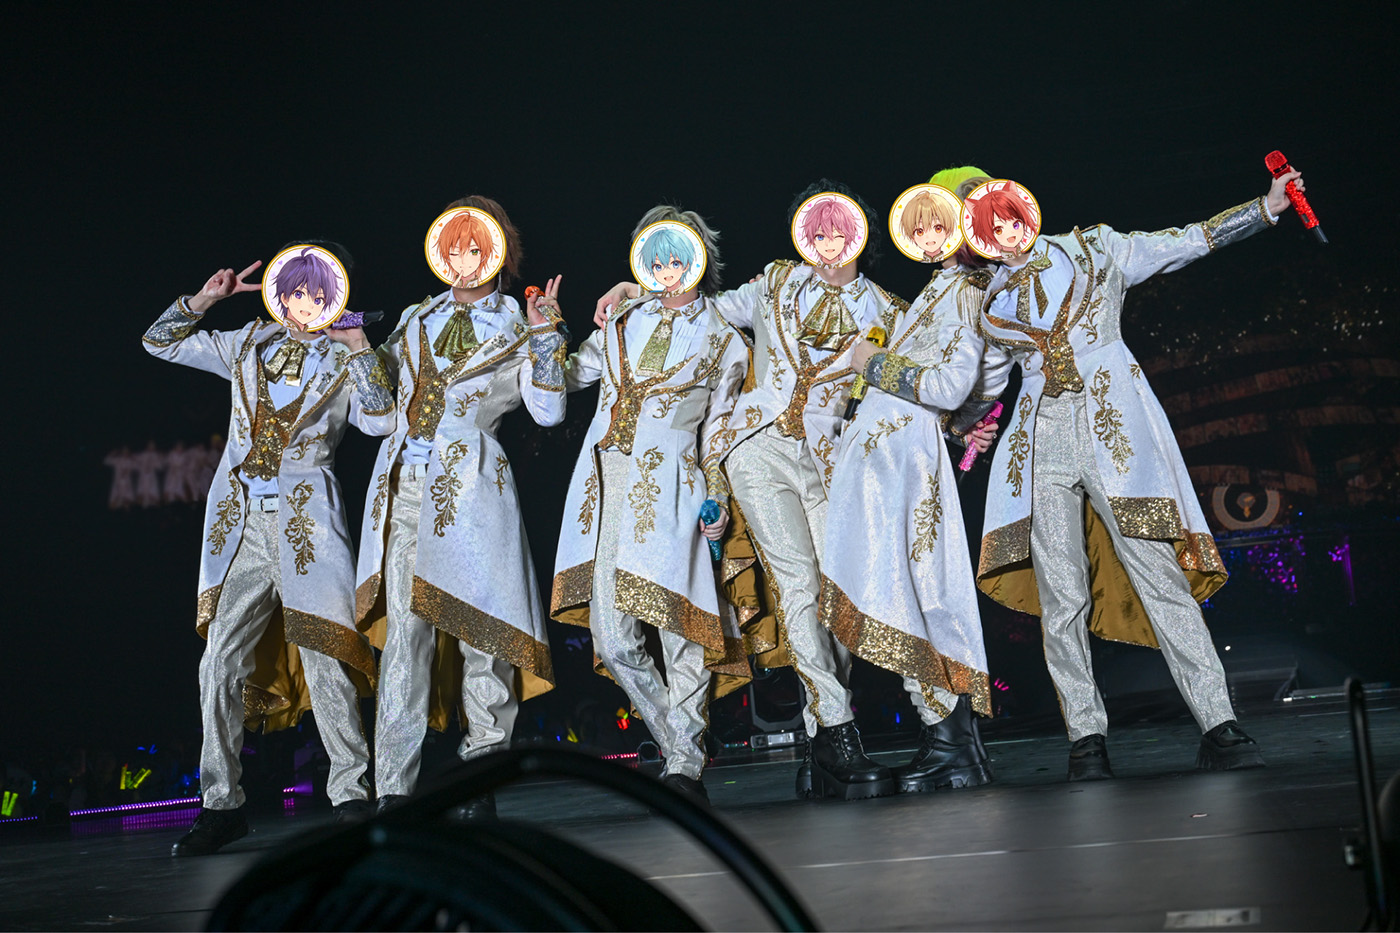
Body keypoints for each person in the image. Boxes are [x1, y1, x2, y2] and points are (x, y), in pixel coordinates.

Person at [973, 167, 1308, 779]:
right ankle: (1086, 738)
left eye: (1010, 218)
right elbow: (984, 385)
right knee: (1062, 597)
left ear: (1027, 211)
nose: (1007, 232)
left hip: (1115, 434)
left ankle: (1218, 722)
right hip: (1038, 443)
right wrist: (962, 425)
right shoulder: (990, 303)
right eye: (992, 227)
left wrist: (1264, 209)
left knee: (1160, 577)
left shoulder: (1096, 249)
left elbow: (1184, 241)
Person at [596, 179, 905, 800]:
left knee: (835, 598)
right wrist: (634, 286)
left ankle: (819, 744)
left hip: (831, 461)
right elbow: (697, 301)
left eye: (838, 231)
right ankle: (838, 733)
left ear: (862, 234)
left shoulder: (888, 311)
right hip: (757, 448)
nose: (827, 243)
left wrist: (970, 421)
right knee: (799, 584)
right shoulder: (774, 284)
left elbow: (924, 373)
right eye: (815, 231)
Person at [142, 244, 395, 855]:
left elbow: (381, 421)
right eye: (295, 290)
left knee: (325, 654)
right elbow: (158, 342)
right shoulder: (248, 342)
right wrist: (206, 299)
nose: (303, 302)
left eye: (317, 292)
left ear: (336, 297)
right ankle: (220, 803)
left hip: (307, 525)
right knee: (217, 663)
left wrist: (359, 347)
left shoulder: (351, 354)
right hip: (238, 527)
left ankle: (351, 794)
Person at [355, 195, 566, 818]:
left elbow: (548, 412)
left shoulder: (520, 320)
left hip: (473, 486)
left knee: (483, 634)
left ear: (500, 251)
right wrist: (360, 349)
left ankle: (481, 775)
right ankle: (393, 789)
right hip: (402, 488)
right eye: (455, 248)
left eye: (476, 247)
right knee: (405, 640)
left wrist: (546, 337)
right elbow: (376, 420)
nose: (466, 259)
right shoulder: (415, 319)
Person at [552, 206, 750, 806]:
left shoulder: (723, 337)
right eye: (655, 259)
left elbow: (718, 431)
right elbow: (568, 378)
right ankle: (681, 741)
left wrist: (717, 496)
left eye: (677, 258)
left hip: (672, 483)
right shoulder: (621, 319)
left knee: (679, 627)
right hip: (602, 487)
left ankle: (684, 764)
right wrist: (546, 334)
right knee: (612, 639)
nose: (667, 270)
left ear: (699, 257)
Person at [823, 167, 1001, 793]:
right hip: (890, 451)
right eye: (923, 225)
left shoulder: (969, 291)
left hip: (901, 455)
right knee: (916, 584)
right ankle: (952, 743)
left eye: (943, 221)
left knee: (915, 586)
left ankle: (952, 740)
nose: (931, 235)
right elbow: (973, 388)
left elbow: (952, 386)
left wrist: (872, 362)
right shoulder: (940, 289)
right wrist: (964, 425)